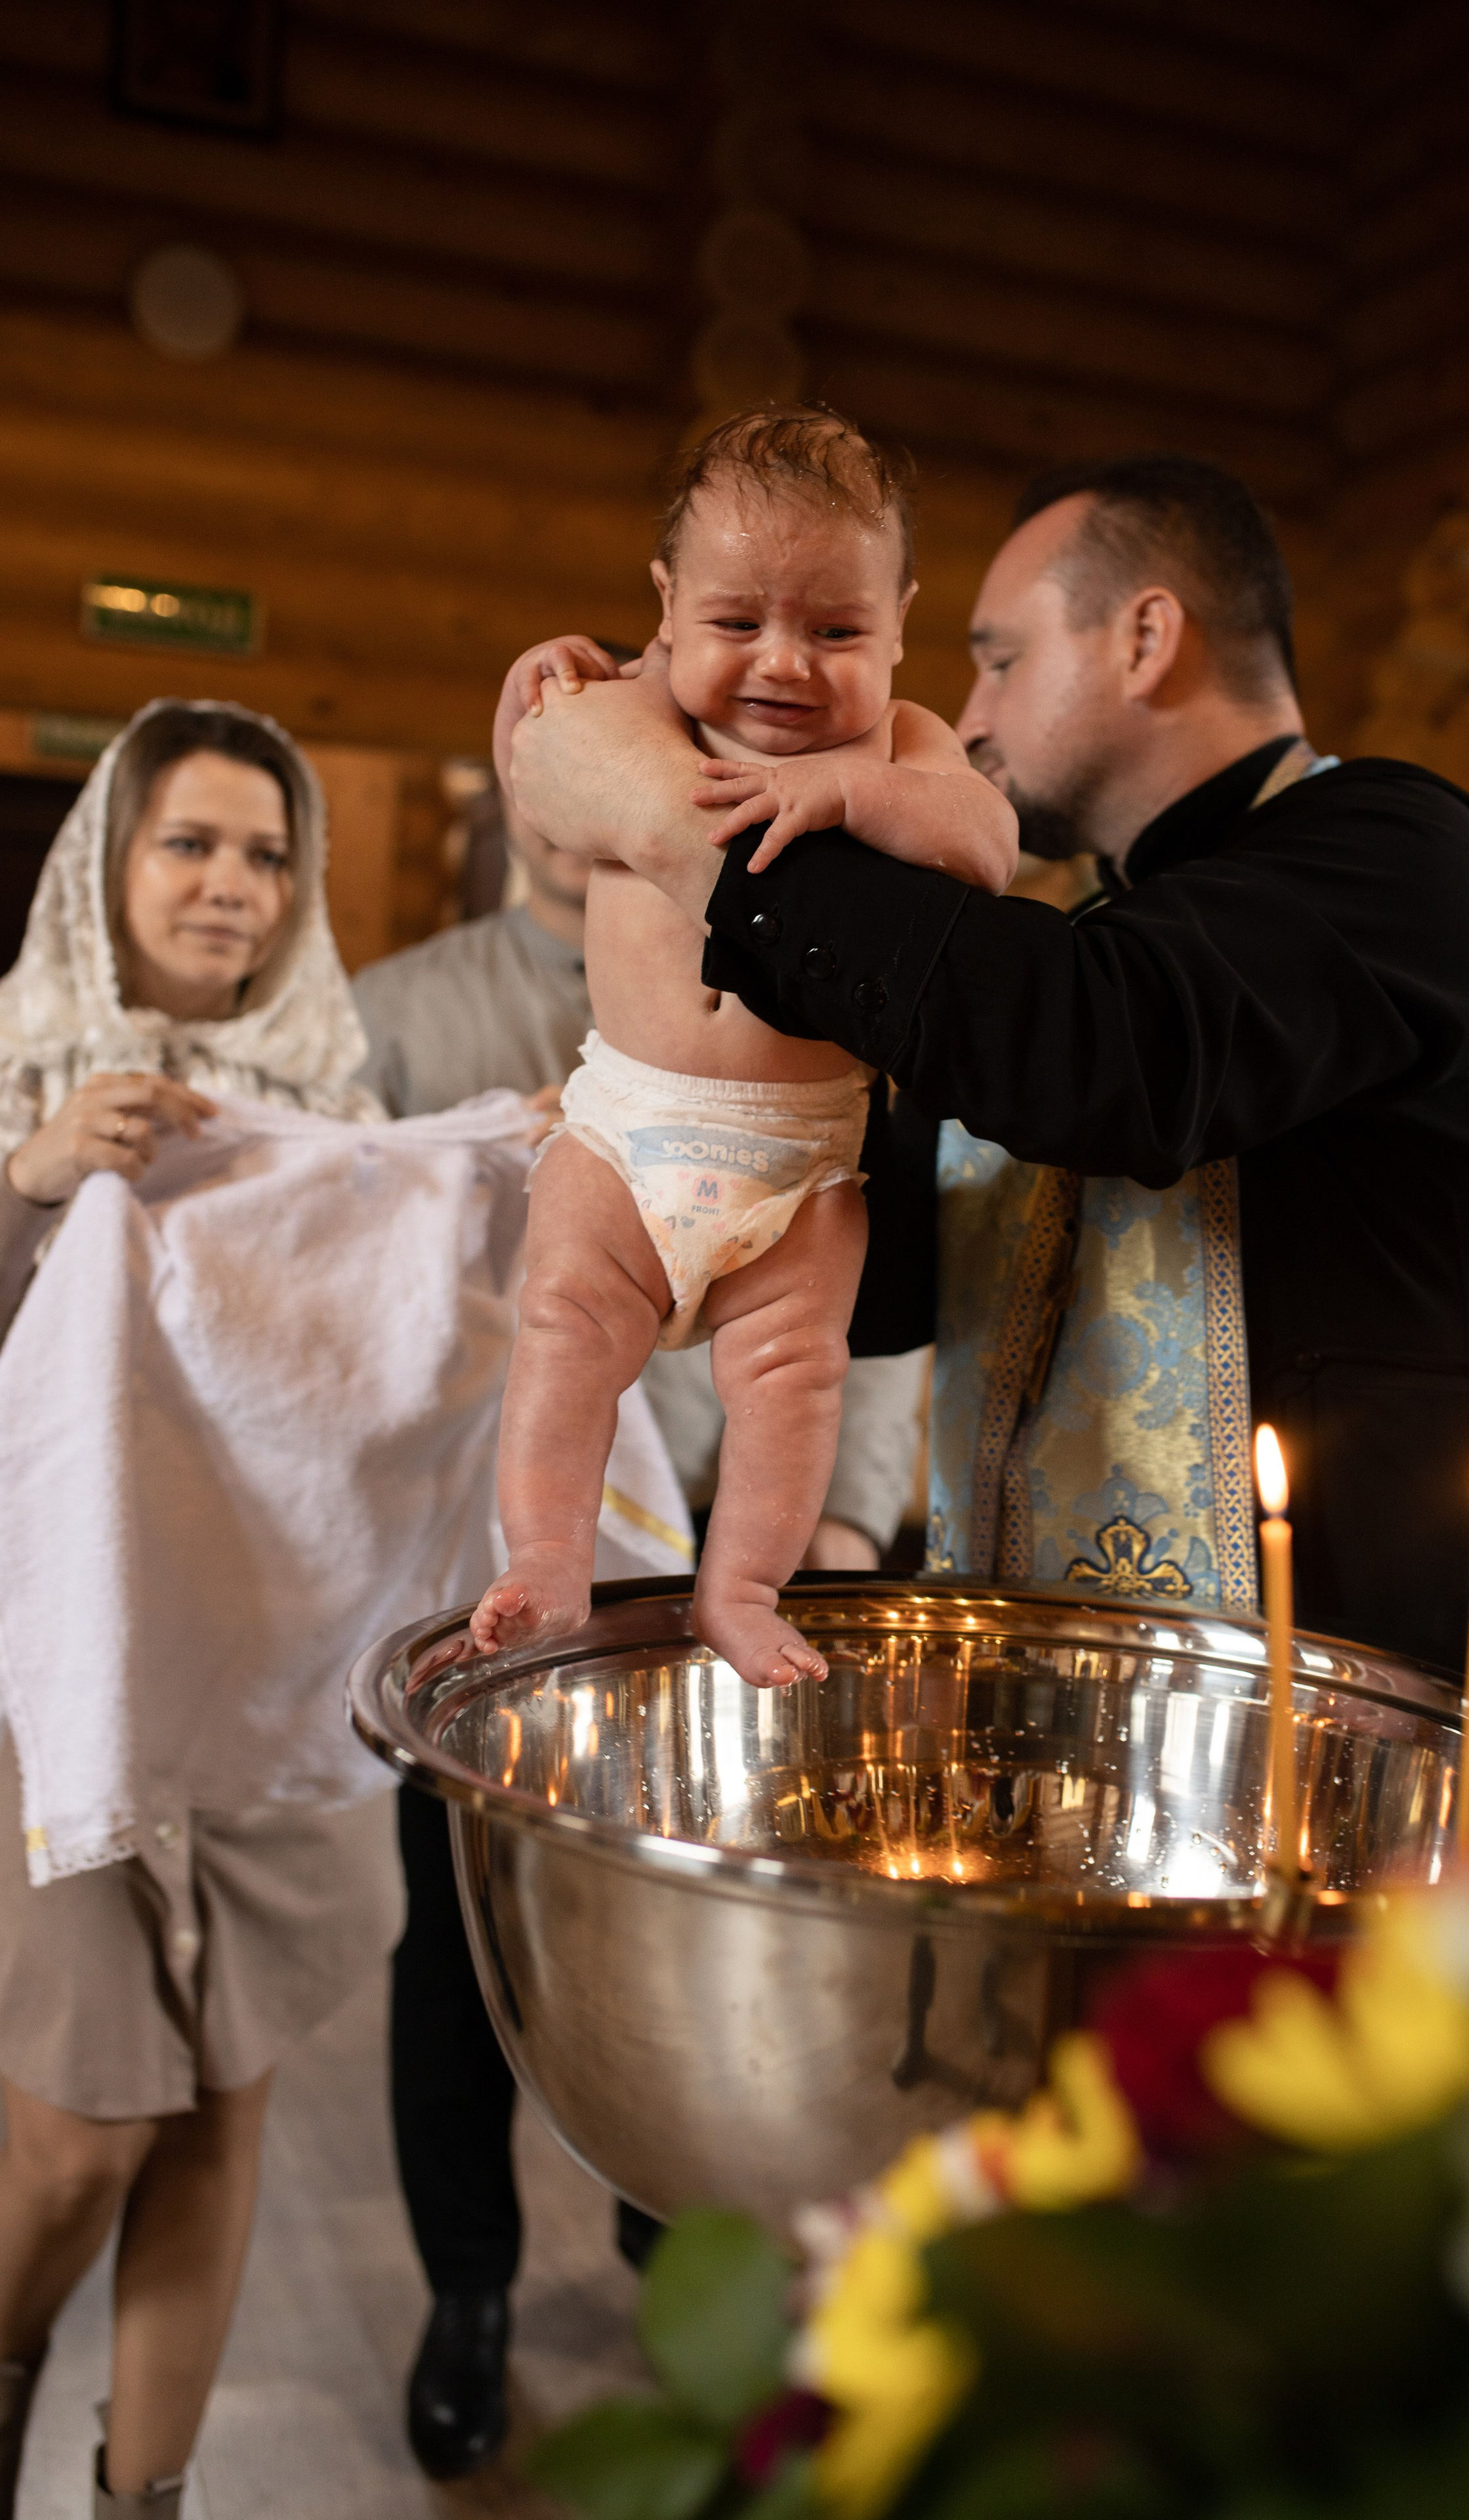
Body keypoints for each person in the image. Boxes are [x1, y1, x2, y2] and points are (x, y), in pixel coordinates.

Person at [499, 452, 1469, 1694]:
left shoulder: (1397, 849)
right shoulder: (1098, 933)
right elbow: (900, 1276)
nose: (978, 713)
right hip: (1060, 1707)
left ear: (1146, 637)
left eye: (1000, 658)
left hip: (1343, 1704)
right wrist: (685, 1156)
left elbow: (1098, 1059)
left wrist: (658, 807)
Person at [352, 754, 926, 2481]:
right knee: (454, 1963)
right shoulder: (407, 1009)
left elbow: (876, 1254)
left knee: (720, 1960)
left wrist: (843, 1503)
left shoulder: (804, 948)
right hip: (503, 1567)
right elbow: (349, 1284)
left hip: (737, 1567)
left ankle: (693, 2289)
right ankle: (468, 2301)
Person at [0, 702, 425, 2520]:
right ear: (110, 863)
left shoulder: (341, 1118)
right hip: (59, 1692)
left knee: (221, 2106)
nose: (234, 888)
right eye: (190, 844)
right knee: (82, 2134)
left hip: (268, 1682)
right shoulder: (10, 1084)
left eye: (268, 854)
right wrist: (25, 1190)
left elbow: (396, 1392)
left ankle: (140, 2504)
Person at [469, 409, 1012, 1687]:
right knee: (561, 1327)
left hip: (802, 1163)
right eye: (735, 624)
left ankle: (745, 1584)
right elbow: (543, 800)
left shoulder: (898, 744)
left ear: (899, 617)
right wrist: (523, 698)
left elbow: (983, 843)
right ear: (664, 601)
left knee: (791, 1381)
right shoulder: (632, 706)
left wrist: (849, 795)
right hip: (626, 1125)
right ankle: (547, 1554)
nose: (783, 665)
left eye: (835, 632)